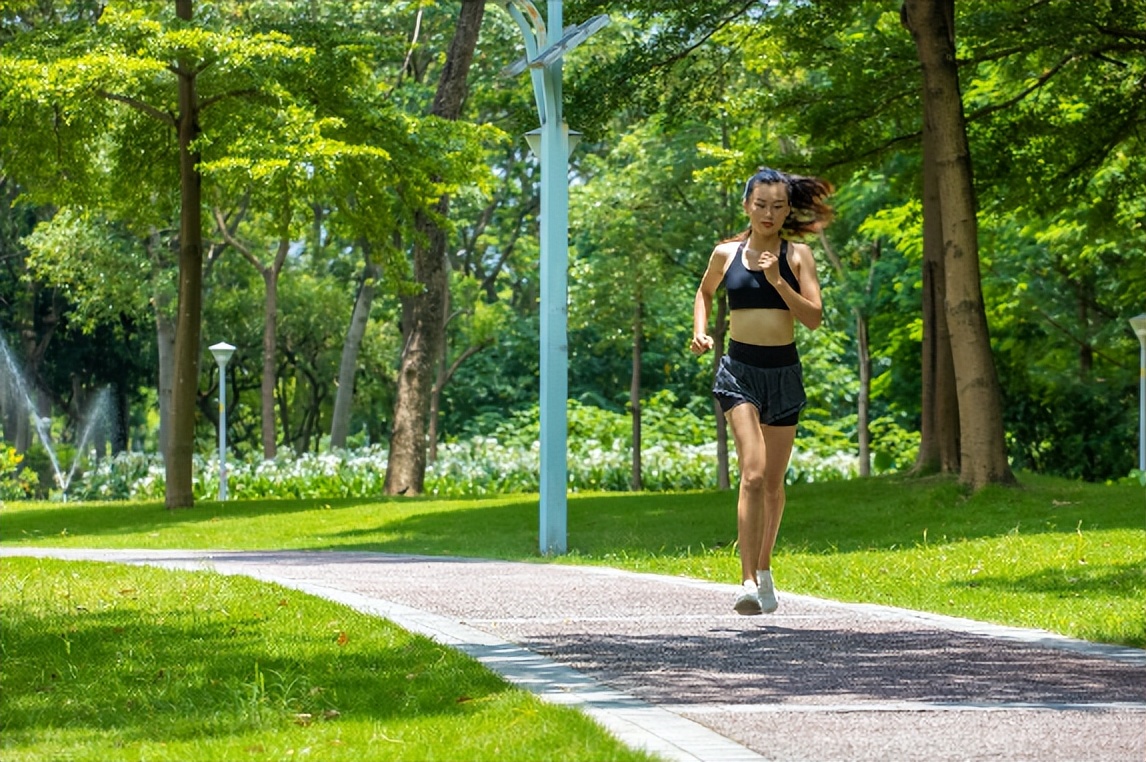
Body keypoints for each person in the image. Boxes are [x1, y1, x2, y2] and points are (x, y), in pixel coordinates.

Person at [691, 167, 834, 615]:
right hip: (740, 371)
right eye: (760, 204)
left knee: (773, 484)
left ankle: (766, 568)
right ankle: (747, 580)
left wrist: (777, 282)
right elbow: (705, 293)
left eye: (777, 205)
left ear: (787, 209)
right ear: (746, 206)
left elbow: (813, 318)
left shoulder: (798, 257)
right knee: (752, 473)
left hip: (784, 372)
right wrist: (700, 332)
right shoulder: (725, 254)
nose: (768, 213)